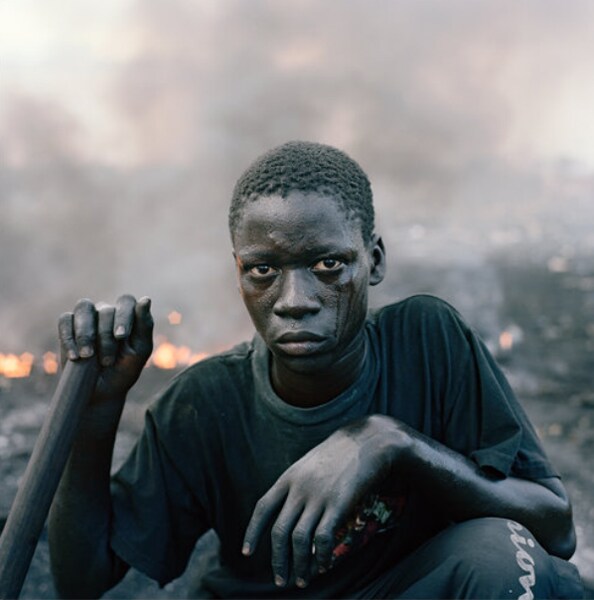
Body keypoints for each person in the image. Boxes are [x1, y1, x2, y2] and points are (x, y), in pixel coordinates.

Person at [49, 141, 583, 599]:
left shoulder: (428, 341)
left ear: (373, 261)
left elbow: (554, 529)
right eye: (264, 270)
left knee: (505, 558)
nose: (295, 300)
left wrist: (392, 443)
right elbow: (82, 582)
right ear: (238, 273)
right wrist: (97, 415)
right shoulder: (205, 403)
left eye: (328, 265)